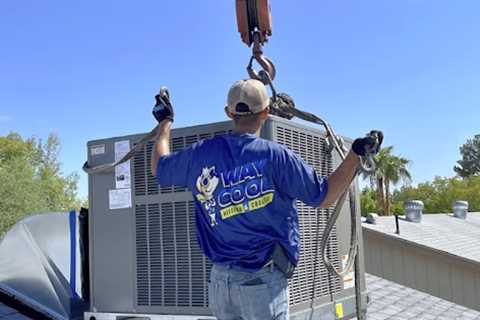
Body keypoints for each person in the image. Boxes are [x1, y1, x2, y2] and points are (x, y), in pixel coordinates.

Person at [150, 79, 382, 320]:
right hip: (263, 284)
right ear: (266, 112)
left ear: (229, 113)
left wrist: (165, 122)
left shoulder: (200, 154)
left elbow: (159, 167)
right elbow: (323, 196)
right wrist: (355, 154)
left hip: (220, 284)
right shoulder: (277, 157)